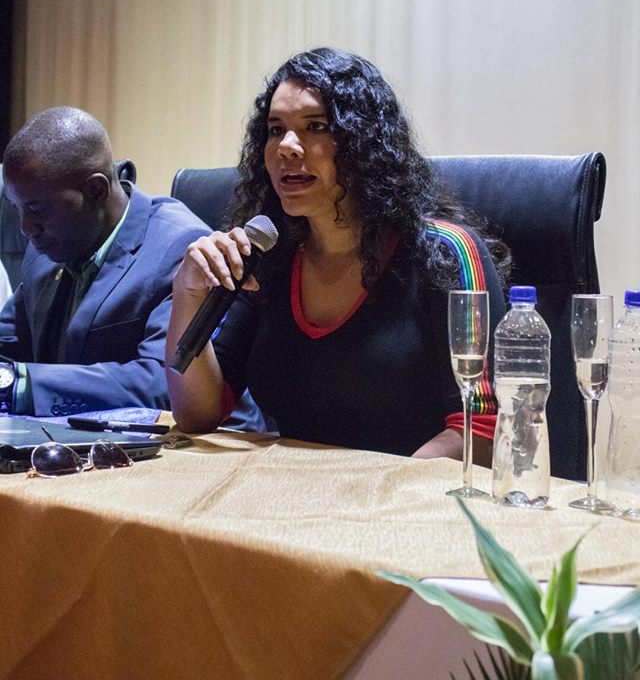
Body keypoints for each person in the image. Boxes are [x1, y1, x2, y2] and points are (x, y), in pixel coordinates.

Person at [166, 48, 509, 460]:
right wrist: (187, 294)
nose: (287, 147)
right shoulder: (269, 257)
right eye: (275, 129)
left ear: (364, 142)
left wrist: (373, 489)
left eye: (316, 126)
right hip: (289, 490)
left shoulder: (447, 253)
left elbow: (481, 428)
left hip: (405, 494)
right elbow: (198, 415)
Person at [0, 106, 264, 428]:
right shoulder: (47, 248)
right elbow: (8, 345)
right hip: (87, 441)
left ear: (96, 189)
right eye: (17, 207)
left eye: (36, 208)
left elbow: (162, 381)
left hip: (201, 446)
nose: (26, 227)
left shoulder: (181, 248)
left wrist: (22, 385)